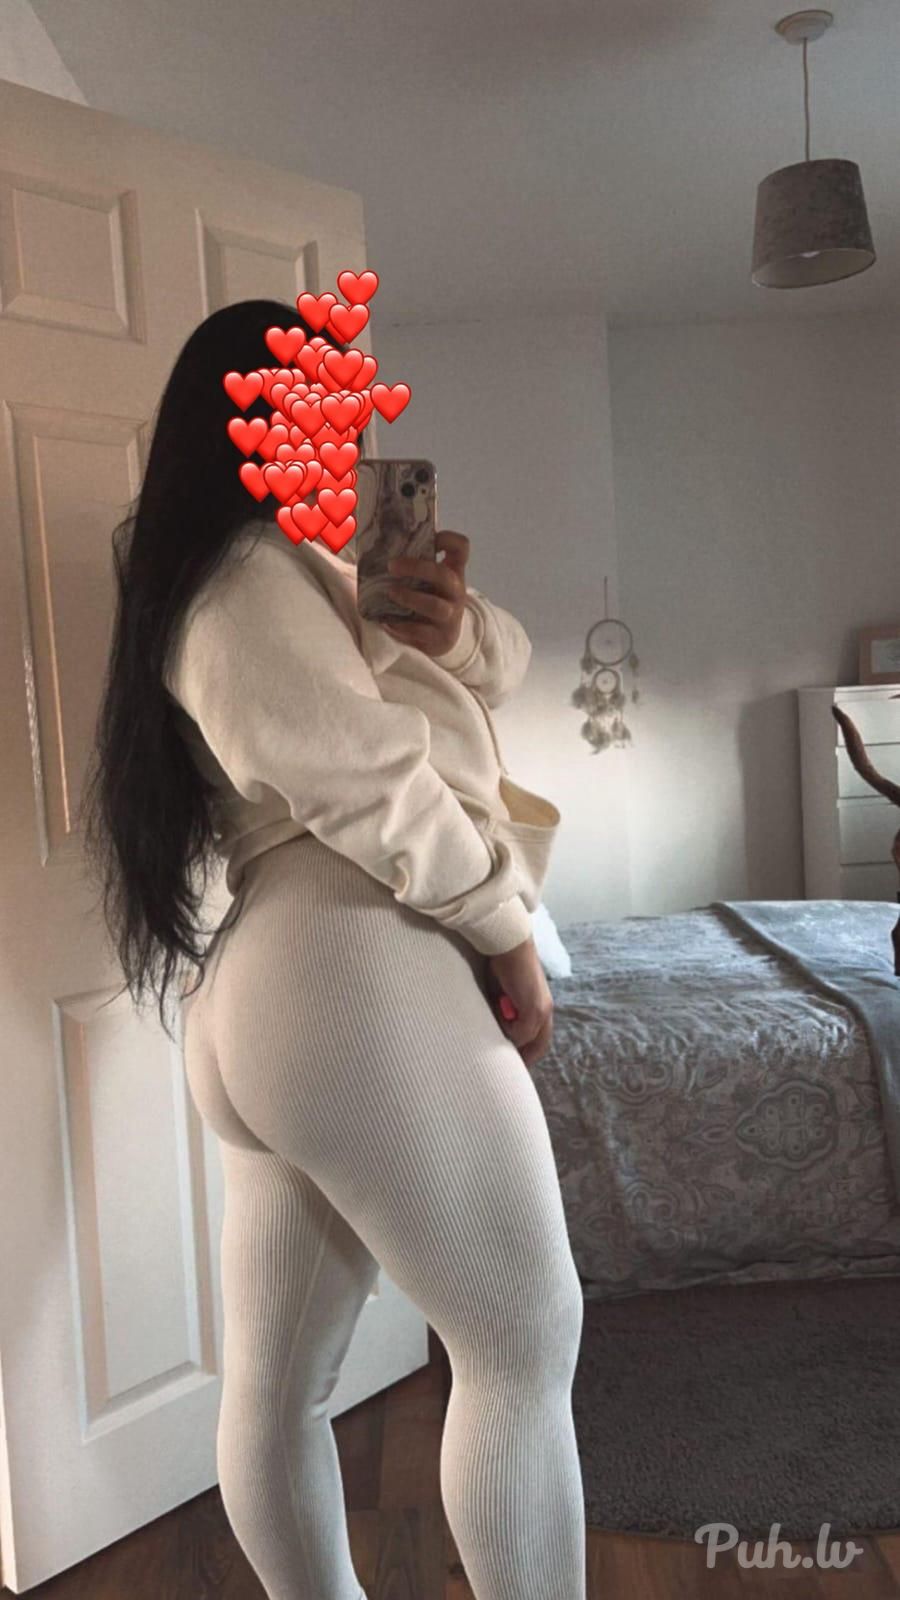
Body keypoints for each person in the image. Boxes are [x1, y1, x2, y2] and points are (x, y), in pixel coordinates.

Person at [80, 299, 586, 1600]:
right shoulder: (244, 574)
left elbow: (503, 663)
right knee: (523, 1340)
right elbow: (369, 784)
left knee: (279, 1389)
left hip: (274, 986)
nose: (346, 439)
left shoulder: (292, 571)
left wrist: (449, 627)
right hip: (346, 954)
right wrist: (507, 933)